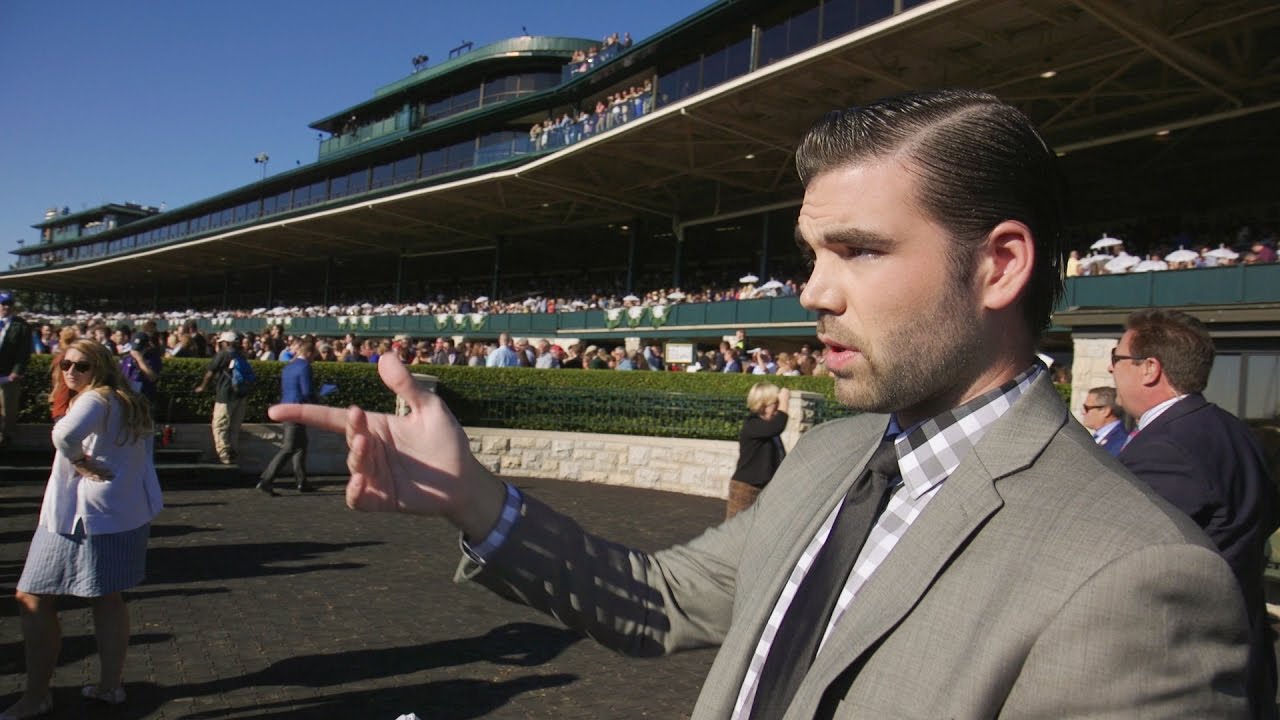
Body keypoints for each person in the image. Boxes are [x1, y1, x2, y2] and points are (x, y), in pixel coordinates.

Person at [273, 90, 1250, 717]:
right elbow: (657, 602)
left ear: (997, 265)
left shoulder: (1138, 580)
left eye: (858, 251)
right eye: (809, 255)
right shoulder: (830, 456)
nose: (812, 291)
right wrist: (472, 498)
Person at [1113, 308, 1279, 718]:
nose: (1112, 371)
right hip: (1247, 651)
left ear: (1149, 369)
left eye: (1116, 359)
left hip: (1188, 668)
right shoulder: (1236, 430)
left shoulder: (1164, 448)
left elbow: (1131, 561)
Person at [4, 339, 162, 719]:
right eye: (65, 365)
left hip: (81, 517)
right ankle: (110, 687)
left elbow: (62, 436)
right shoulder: (126, 400)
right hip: (120, 514)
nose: (71, 372)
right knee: (107, 598)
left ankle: (37, 695)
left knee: (32, 597)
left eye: (81, 366)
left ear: (101, 368)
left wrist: (79, 461)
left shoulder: (95, 400)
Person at [258, 341, 317, 496]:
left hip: (287, 407)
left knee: (301, 446)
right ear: (309, 353)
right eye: (314, 355)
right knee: (289, 447)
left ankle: (302, 481)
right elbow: (306, 391)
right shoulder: (305, 367)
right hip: (297, 410)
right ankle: (266, 479)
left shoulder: (289, 366)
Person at [726, 383, 789, 519]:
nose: (778, 407)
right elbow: (777, 426)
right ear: (762, 404)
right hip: (746, 488)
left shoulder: (768, 429)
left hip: (765, 488)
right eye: (775, 403)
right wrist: (785, 403)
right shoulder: (752, 424)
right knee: (736, 533)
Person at [193, 331, 247, 465]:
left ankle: (224, 456)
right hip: (240, 395)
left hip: (225, 395)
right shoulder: (241, 355)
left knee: (220, 426)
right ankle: (234, 453)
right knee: (234, 427)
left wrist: (202, 386)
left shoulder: (223, 355)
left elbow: (210, 373)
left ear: (226, 342)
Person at [0, 291, 33, 450]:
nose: (6, 307)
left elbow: (24, 351)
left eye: (9, 304)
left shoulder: (21, 326)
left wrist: (16, 371)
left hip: (8, 374)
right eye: (3, 304)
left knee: (8, 407)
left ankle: (7, 437)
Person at [1079, 385, 1127, 456]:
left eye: (1087, 408)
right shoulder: (1098, 437)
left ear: (1105, 411)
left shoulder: (1121, 440)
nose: (1083, 413)